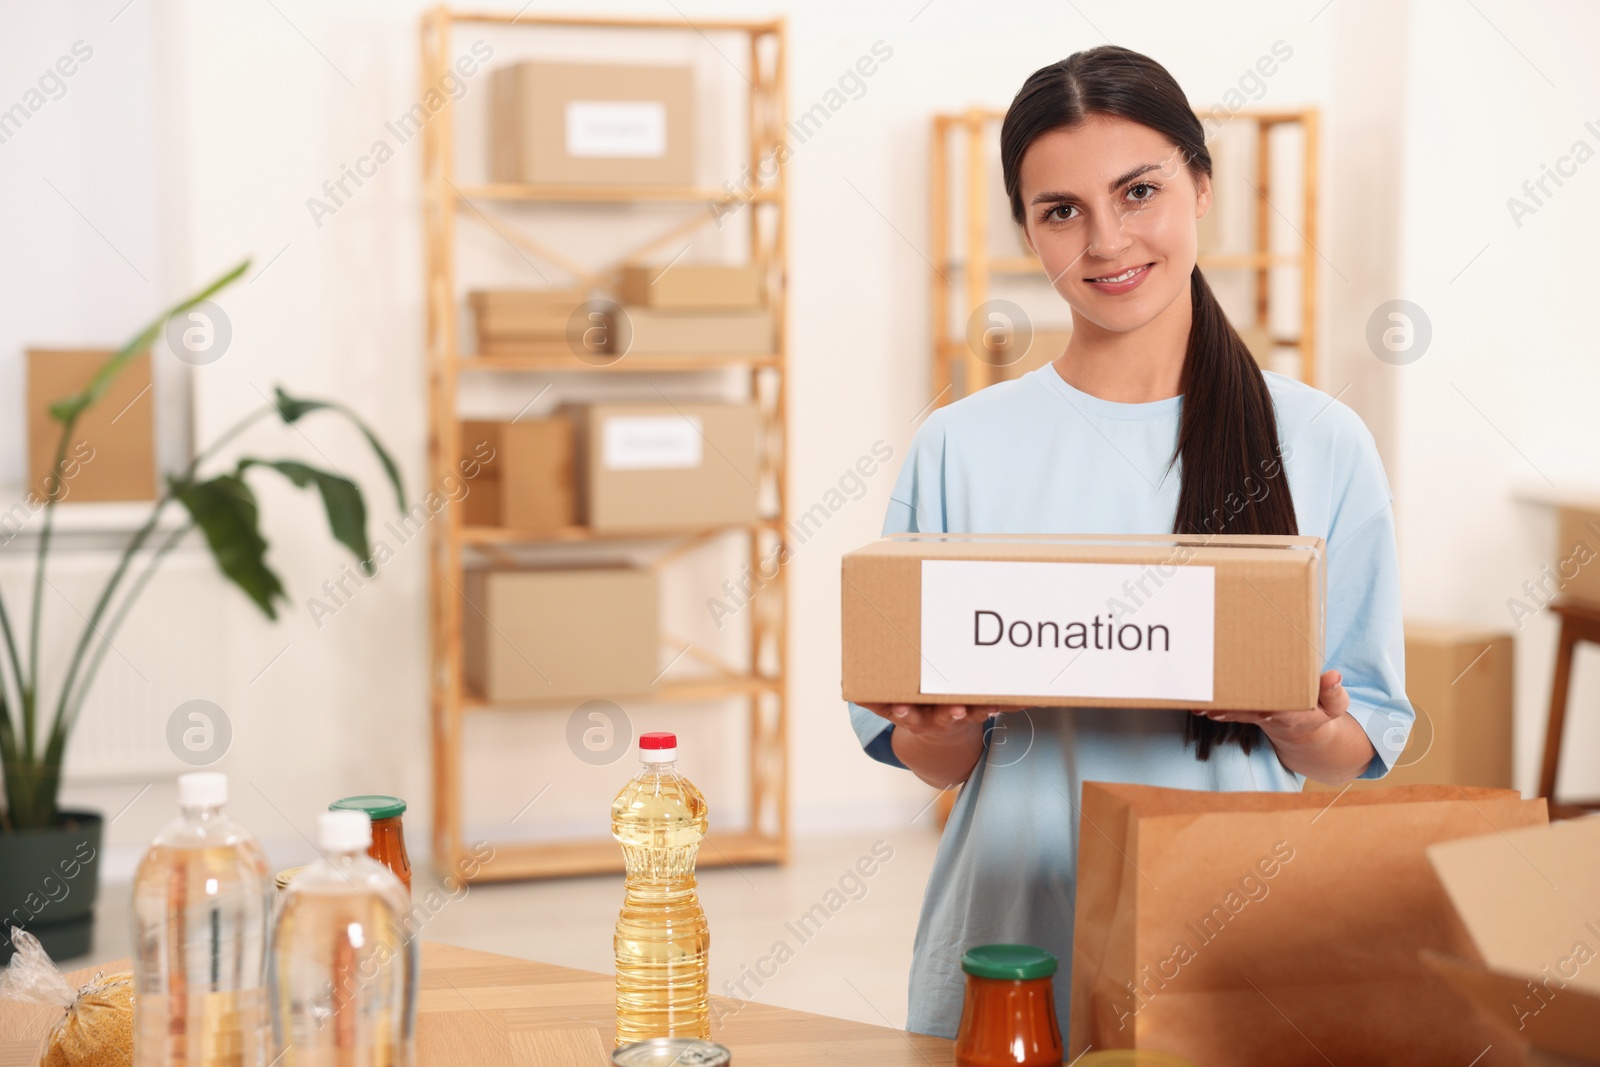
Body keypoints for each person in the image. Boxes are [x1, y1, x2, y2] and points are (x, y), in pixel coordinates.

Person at [846, 44, 1411, 1039]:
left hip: (1231, 932)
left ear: (1199, 183)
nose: (1105, 240)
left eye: (1137, 191)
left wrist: (1297, 722)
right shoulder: (960, 446)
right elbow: (930, 759)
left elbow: (1352, 747)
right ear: (1026, 231)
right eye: (1060, 209)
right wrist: (943, 726)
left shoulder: (1321, 442)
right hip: (1012, 935)